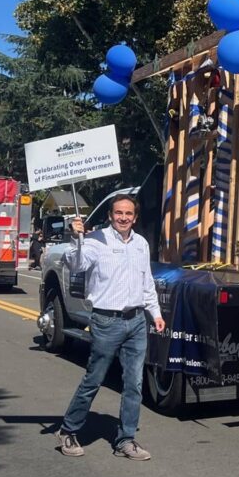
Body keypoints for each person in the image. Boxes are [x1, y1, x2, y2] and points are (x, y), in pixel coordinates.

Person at [54, 195, 166, 461]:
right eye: (118, 213)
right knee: (94, 379)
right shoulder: (96, 241)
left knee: (134, 384)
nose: (123, 218)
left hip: (137, 321)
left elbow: (146, 282)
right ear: (110, 215)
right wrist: (77, 238)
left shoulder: (140, 243)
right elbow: (77, 264)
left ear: (135, 217)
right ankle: (68, 431)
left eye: (128, 213)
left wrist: (155, 313)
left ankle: (126, 440)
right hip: (106, 321)